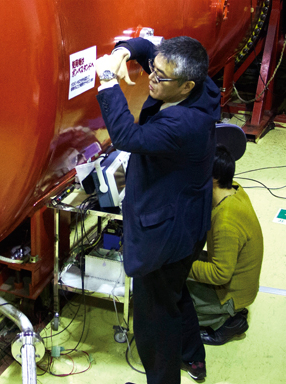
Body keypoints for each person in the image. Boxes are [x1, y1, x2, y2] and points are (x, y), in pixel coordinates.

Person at [95, 36, 219, 383]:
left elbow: (126, 137)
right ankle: (194, 358)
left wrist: (107, 80)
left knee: (153, 322)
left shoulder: (183, 124)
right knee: (174, 294)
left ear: (186, 84)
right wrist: (123, 51)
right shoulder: (199, 86)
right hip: (188, 220)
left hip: (166, 233)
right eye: (155, 69)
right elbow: (149, 48)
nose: (152, 77)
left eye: (160, 77)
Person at [187, 145, 264, 345]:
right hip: (238, 279)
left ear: (213, 178)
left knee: (168, 295)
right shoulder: (234, 189)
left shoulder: (226, 221)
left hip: (229, 294)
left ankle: (227, 321)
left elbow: (219, 274)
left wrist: (182, 266)